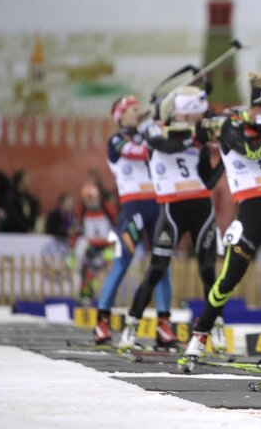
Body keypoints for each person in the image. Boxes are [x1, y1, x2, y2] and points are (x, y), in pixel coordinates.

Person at [181, 73, 261, 367]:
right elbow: (251, 151)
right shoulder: (233, 126)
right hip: (250, 210)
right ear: (258, 107)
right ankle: (199, 337)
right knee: (229, 278)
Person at [118, 86, 222, 351]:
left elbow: (208, 180)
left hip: (200, 206)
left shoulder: (197, 134)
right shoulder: (154, 127)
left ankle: (216, 330)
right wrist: (191, 138)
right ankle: (130, 330)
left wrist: (225, 155)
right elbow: (163, 144)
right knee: (157, 269)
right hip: (172, 208)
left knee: (209, 271)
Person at [93, 95, 173, 345]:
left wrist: (158, 126)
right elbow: (141, 153)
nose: (138, 113)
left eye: (140, 109)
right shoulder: (116, 140)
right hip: (133, 209)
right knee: (122, 263)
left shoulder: (144, 134)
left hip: (157, 205)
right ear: (120, 115)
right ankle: (102, 322)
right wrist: (153, 133)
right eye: (133, 110)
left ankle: (163, 323)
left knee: (162, 265)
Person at [72, 184, 116, 304]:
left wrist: (112, 246)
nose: (90, 201)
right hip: (90, 245)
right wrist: (73, 245)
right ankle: (85, 295)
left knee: (99, 271)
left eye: (92, 198)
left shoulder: (106, 207)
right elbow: (77, 228)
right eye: (88, 198)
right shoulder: (82, 210)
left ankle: (103, 298)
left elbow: (115, 224)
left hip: (106, 246)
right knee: (83, 270)